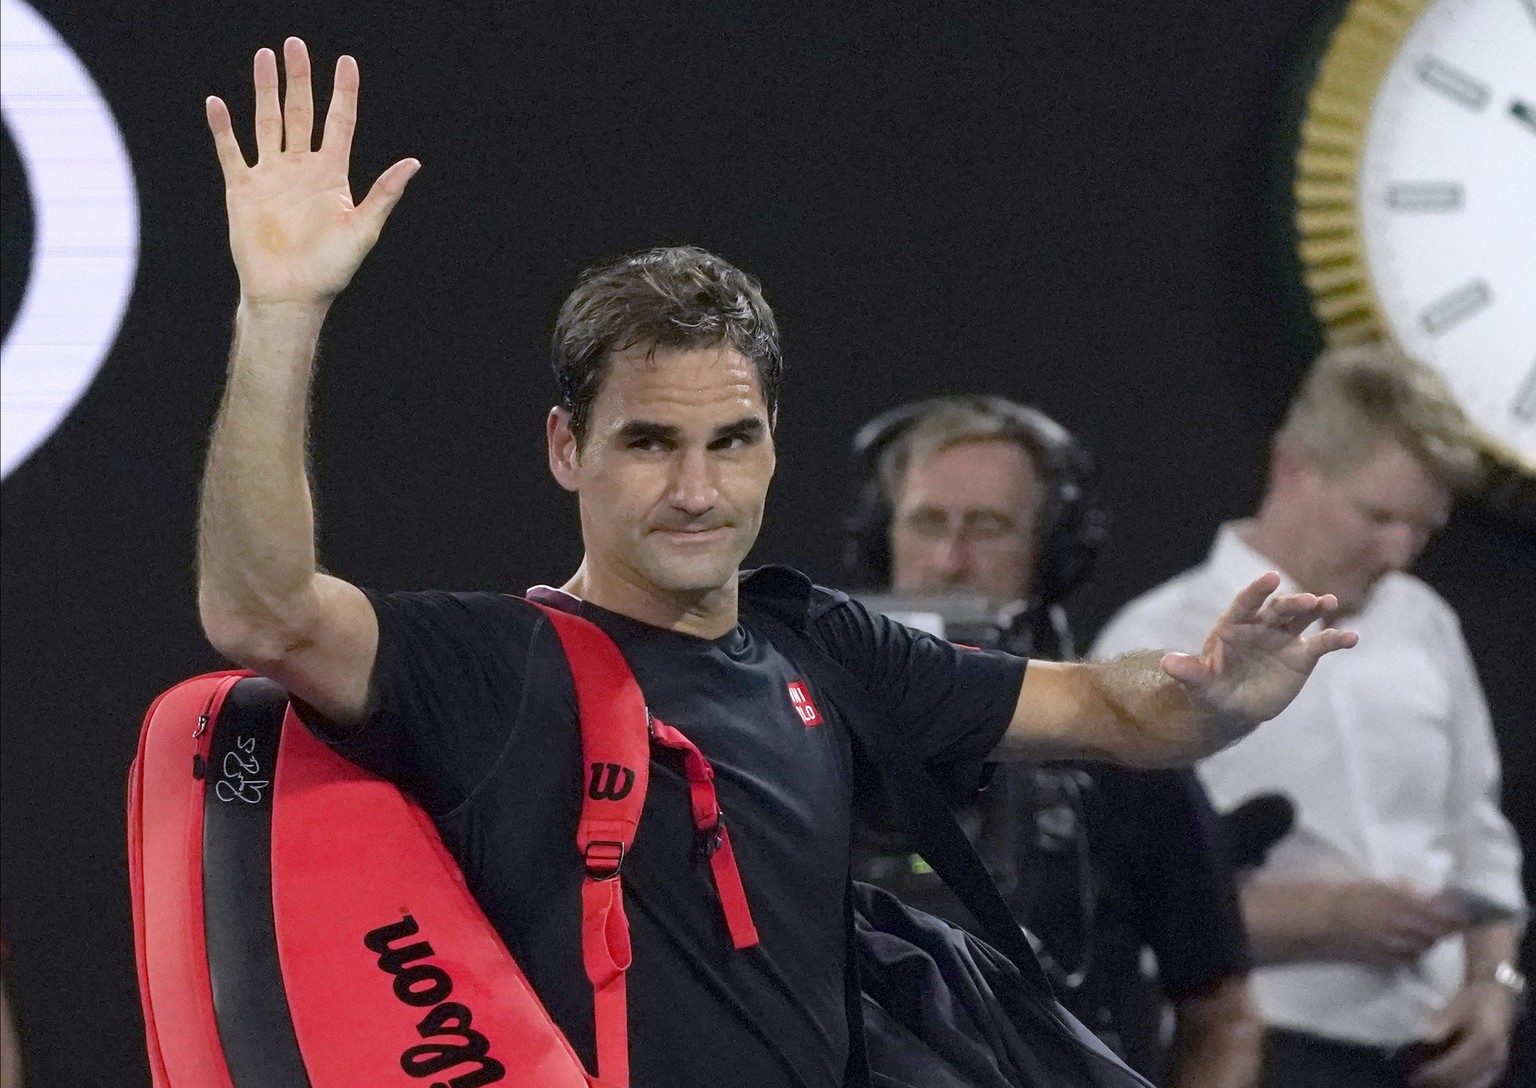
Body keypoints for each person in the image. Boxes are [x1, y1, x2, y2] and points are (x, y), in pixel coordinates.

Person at [195, 39, 1357, 1087]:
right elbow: (263, 613)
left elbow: (1108, 709)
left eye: (730, 441)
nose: (697, 489)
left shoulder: (819, 641)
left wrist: (1213, 698)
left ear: (771, 445)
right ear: (567, 447)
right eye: (649, 442)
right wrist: (278, 311)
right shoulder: (494, 667)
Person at [1093, 345, 1527, 1088]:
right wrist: (1315, 919)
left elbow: (1478, 838)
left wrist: (1496, 989)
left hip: (1432, 1052)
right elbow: (1108, 898)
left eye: (1422, 529)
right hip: (1254, 1053)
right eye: (1378, 516)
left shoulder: (1427, 623)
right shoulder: (1153, 638)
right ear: (1292, 468)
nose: (1399, 552)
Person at [847, 395, 1263, 1088]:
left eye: (988, 527)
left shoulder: (1121, 747)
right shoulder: (802, 723)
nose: (950, 561)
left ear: (1053, 552)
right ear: (880, 537)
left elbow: (1222, 1014)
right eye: (926, 524)